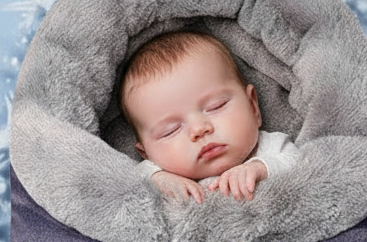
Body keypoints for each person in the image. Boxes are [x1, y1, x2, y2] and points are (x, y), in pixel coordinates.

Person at [119, 31, 292, 204]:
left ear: (253, 107)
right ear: (146, 154)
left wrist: (260, 168)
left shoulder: (272, 148)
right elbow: (131, 181)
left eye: (216, 106)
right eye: (170, 131)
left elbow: (299, 164)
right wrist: (159, 179)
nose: (199, 129)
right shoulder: (159, 171)